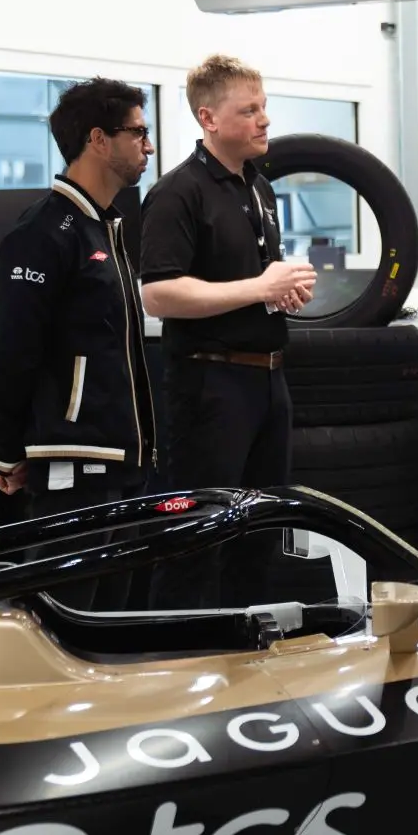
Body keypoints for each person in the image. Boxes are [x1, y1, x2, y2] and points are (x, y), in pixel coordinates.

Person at [139, 54, 316, 608]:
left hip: (268, 383)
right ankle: (181, 666)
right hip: (209, 386)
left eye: (264, 108)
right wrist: (260, 288)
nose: (264, 120)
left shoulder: (258, 188)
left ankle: (250, 660)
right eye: (249, 111)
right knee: (197, 538)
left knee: (261, 533)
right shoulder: (178, 193)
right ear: (208, 118)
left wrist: (282, 290)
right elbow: (158, 294)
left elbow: (249, 282)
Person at [0, 77, 158, 610]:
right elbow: (14, 352)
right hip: (73, 463)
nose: (148, 146)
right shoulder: (43, 233)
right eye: (139, 133)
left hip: (124, 463)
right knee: (64, 623)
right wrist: (5, 452)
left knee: (113, 628)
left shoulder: (107, 228)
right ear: (98, 140)